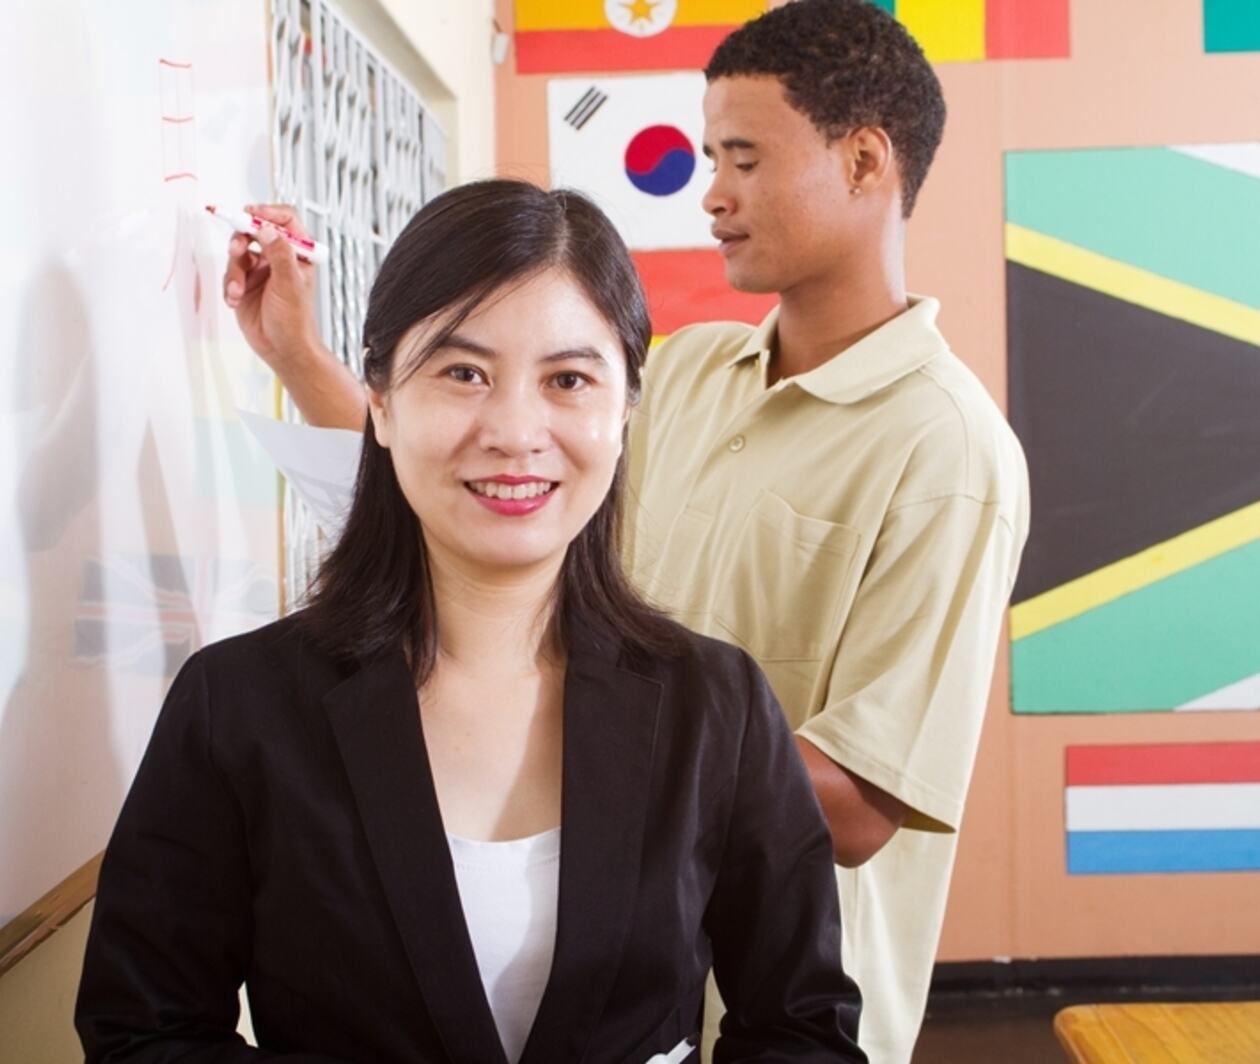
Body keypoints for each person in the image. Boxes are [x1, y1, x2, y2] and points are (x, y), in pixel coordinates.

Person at [218, 3, 1030, 1060]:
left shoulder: (953, 452)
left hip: (773, 1007)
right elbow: (487, 481)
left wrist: (563, 732)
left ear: (866, 160)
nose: (713, 195)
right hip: (571, 966)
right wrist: (301, 361)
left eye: (742, 158)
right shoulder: (688, 371)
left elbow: (867, 801)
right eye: (707, 157)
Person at [75, 181, 867, 1063]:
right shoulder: (240, 706)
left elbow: (802, 1029)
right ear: (380, 398)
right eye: (462, 373)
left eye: (568, 379)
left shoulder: (714, 704)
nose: (515, 430)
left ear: (625, 408)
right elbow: (142, 1031)